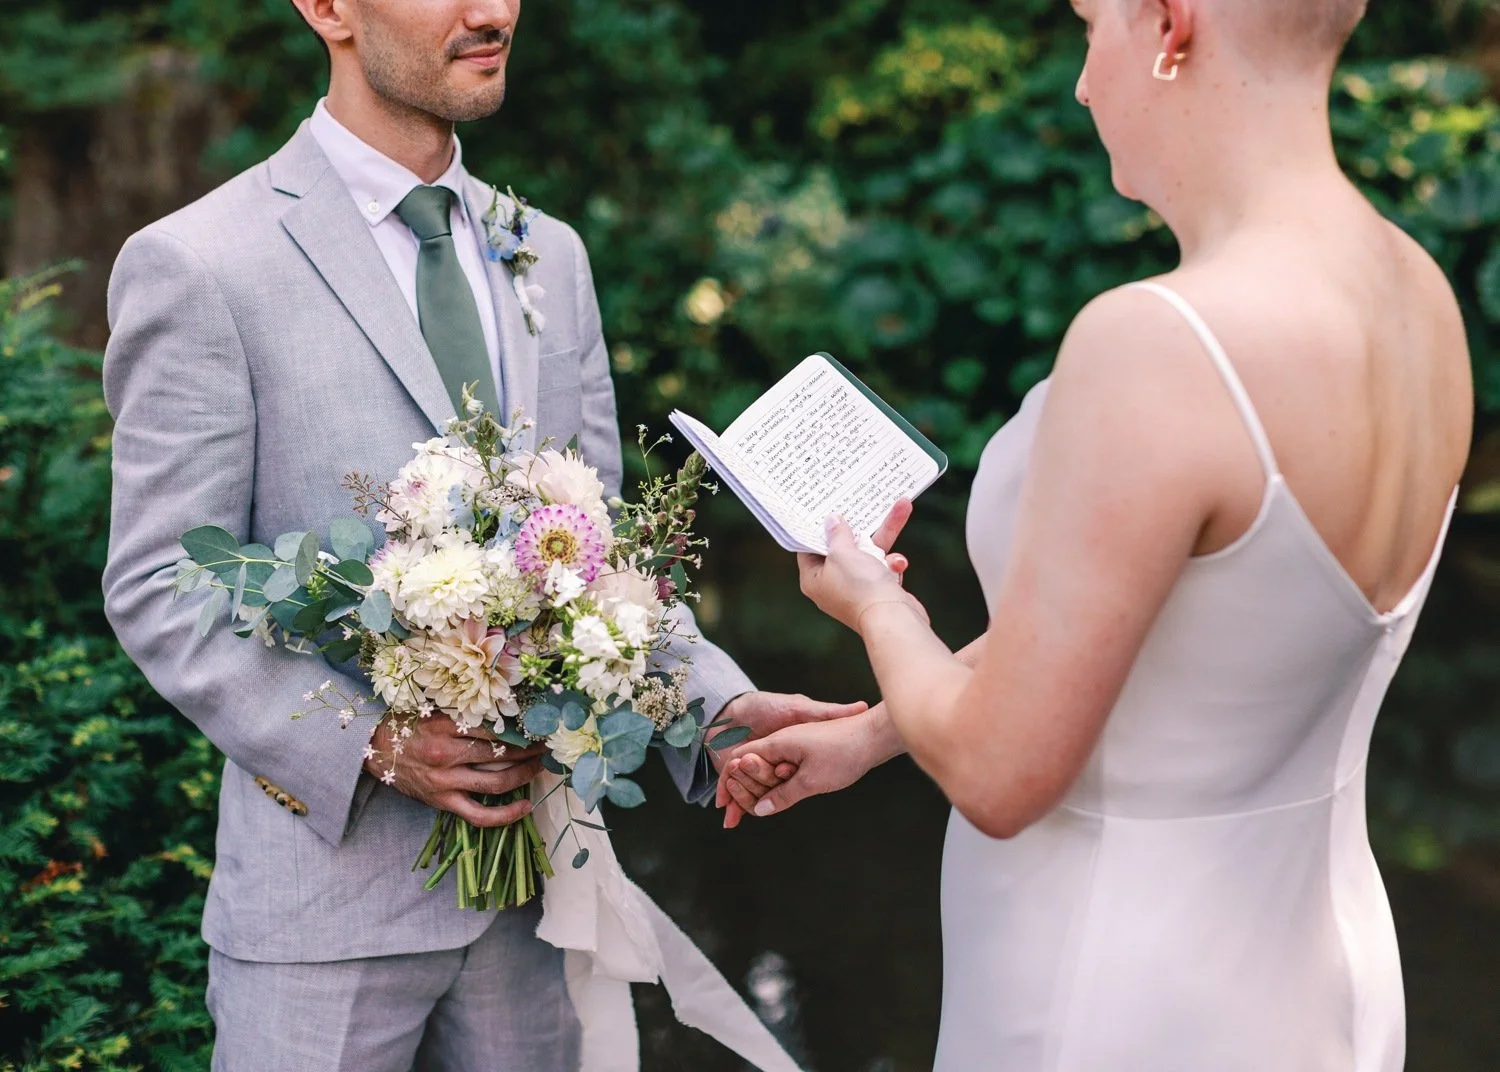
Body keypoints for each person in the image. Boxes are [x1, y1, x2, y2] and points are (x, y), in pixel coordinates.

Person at [101, 1, 859, 1068]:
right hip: (324, 920)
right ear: (327, 10)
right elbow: (162, 580)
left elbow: (601, 560)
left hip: (538, 909)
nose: (494, 8)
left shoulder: (548, 253)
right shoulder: (201, 262)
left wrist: (716, 710)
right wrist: (371, 743)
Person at [719, 0, 1473, 1067]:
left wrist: (878, 607)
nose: (1080, 82)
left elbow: (997, 775)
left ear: (1169, 25)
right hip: (1317, 967)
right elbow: (1184, 628)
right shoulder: (1415, 292)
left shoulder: (1160, 341)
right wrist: (880, 730)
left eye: (1089, 27)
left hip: (1117, 979)